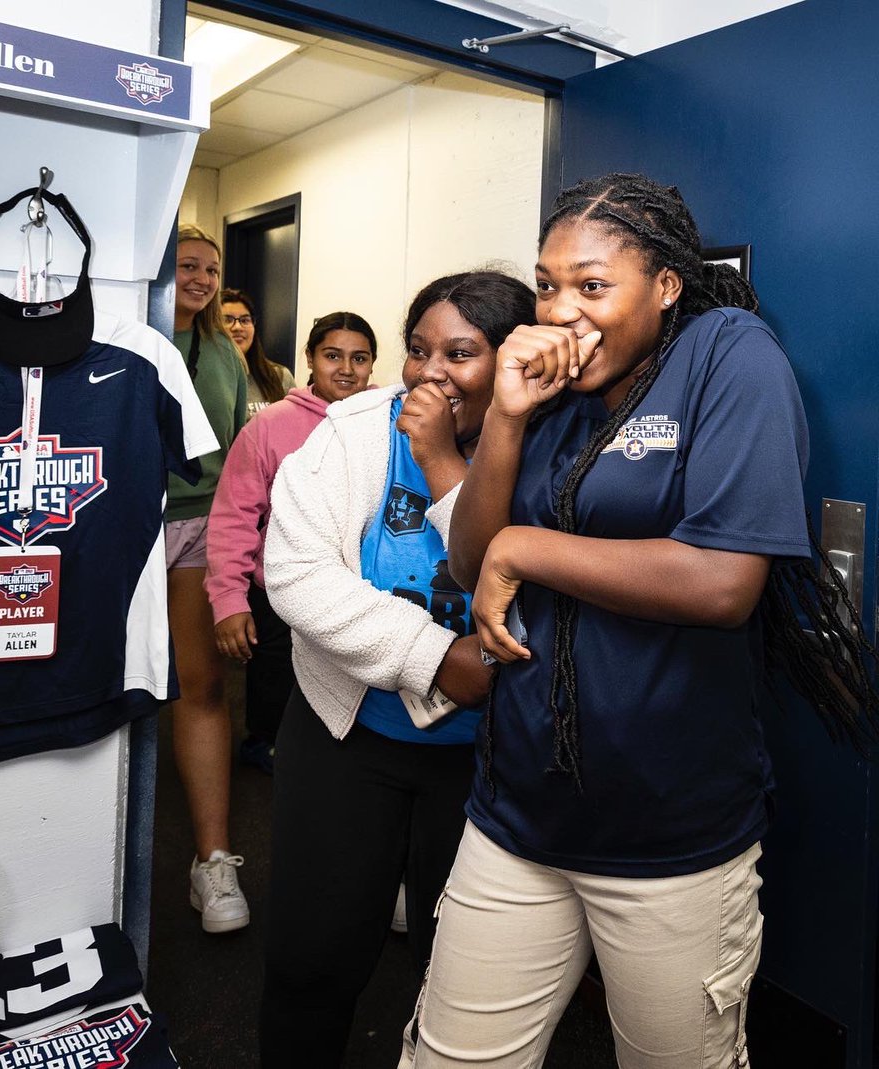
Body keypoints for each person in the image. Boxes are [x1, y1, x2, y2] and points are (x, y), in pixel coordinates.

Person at [402, 174, 879, 1069]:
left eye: (592, 286)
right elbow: (470, 559)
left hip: (670, 837)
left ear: (665, 286)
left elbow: (723, 580)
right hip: (517, 814)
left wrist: (526, 552)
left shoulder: (728, 355)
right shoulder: (545, 383)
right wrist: (505, 414)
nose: (562, 311)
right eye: (547, 284)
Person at [260, 271, 537, 1067]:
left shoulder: (548, 443)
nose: (429, 373)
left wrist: (441, 455)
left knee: (458, 966)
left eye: (460, 353)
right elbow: (296, 574)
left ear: (511, 359)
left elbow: (511, 574)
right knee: (313, 957)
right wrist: (432, 656)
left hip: (486, 756)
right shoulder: (349, 434)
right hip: (347, 734)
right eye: (417, 350)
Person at [205, 311, 379, 774]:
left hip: (361, 590)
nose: (346, 368)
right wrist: (229, 599)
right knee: (276, 687)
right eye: (332, 355)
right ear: (310, 358)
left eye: (359, 358)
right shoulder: (269, 427)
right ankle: (268, 746)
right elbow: (234, 516)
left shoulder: (386, 420)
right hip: (280, 594)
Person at [167, 223, 250, 933]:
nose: (198, 277)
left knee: (203, 682)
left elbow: (235, 448)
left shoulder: (224, 351)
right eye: (186, 265)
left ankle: (212, 859)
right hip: (119, 526)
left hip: (196, 524)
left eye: (209, 268)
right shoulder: (127, 331)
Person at [220, 288, 297, 419]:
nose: (238, 327)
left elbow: (295, 424)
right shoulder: (207, 376)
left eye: (245, 320)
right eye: (228, 320)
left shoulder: (279, 376)